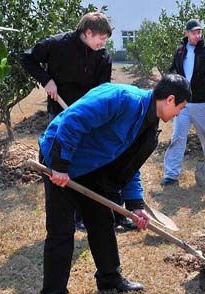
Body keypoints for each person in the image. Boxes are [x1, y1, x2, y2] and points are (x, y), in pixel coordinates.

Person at [38, 74, 190, 294]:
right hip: (60, 159)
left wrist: (136, 204)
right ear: (169, 99)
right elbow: (72, 121)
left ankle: (109, 277)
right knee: (61, 230)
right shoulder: (121, 98)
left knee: (102, 222)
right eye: (181, 107)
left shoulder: (149, 128)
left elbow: (130, 165)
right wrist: (60, 166)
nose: (179, 113)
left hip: (92, 168)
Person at [20, 12, 134, 230]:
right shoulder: (56, 45)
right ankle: (73, 215)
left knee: (98, 161)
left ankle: (114, 212)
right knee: (63, 161)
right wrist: (47, 80)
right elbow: (27, 59)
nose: (103, 43)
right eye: (101, 37)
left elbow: (102, 91)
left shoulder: (102, 57)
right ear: (88, 32)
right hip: (61, 115)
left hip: (89, 118)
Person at [161, 19, 205, 186]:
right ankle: (171, 175)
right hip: (182, 103)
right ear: (187, 33)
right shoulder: (180, 51)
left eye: (199, 32)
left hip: (202, 103)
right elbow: (173, 70)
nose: (197, 35)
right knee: (177, 137)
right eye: (194, 32)